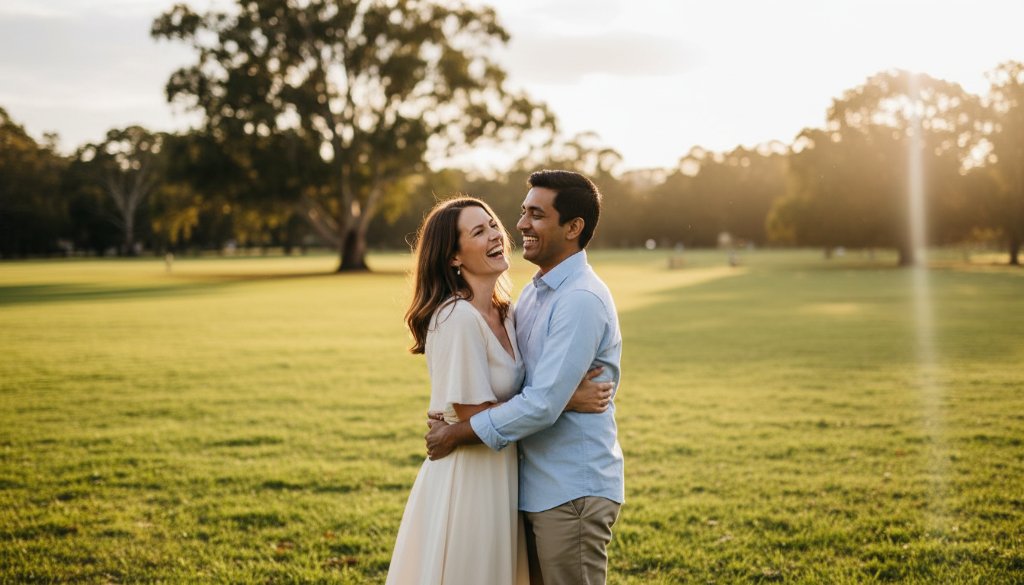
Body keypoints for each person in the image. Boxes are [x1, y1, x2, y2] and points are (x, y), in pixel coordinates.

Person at [386, 196, 613, 585]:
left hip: (506, 475)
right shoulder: (456, 318)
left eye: (492, 224)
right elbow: (475, 418)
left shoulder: (508, 311)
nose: (496, 234)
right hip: (470, 477)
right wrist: (565, 399)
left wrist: (551, 399)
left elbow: (527, 391)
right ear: (454, 257)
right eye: (478, 231)